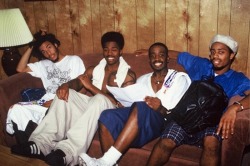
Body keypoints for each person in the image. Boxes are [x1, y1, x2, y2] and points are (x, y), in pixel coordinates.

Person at [10, 31, 136, 166]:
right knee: (64, 93)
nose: (109, 53)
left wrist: (91, 87)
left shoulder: (128, 76)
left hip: (113, 112)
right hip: (93, 106)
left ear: (121, 51)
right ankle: (41, 144)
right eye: (106, 49)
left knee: (99, 99)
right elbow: (78, 81)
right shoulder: (94, 69)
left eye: (114, 50)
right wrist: (65, 85)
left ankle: (66, 153)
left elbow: (119, 104)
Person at [135, 34, 250, 165]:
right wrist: (149, 52)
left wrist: (235, 107)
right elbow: (178, 55)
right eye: (213, 52)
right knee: (166, 141)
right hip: (185, 116)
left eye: (221, 52)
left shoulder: (237, 78)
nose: (215, 56)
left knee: (212, 142)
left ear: (231, 55)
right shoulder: (201, 64)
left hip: (211, 122)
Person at [79, 42, 191, 166]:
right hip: (142, 122)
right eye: (153, 56)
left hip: (164, 122)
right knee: (107, 116)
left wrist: (160, 108)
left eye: (161, 55)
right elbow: (132, 104)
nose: (157, 58)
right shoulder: (143, 80)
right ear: (149, 60)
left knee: (141, 106)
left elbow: (180, 114)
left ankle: (106, 161)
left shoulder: (179, 78)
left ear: (167, 58)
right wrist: (123, 103)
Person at [6, 30, 85, 142]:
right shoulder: (43, 65)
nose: (48, 53)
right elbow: (20, 69)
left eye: (49, 47)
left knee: (51, 113)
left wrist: (56, 102)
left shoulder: (74, 60)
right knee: (16, 109)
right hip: (44, 102)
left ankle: (38, 144)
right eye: (43, 51)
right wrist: (32, 45)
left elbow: (81, 86)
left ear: (56, 45)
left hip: (64, 102)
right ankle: (26, 148)